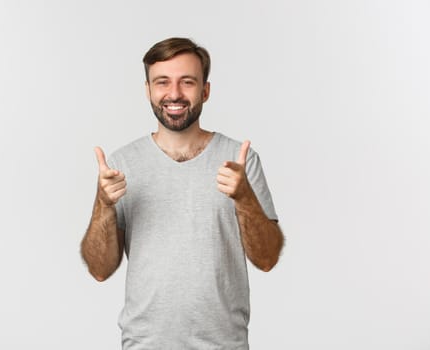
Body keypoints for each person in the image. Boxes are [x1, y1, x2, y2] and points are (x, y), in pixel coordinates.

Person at [81, 37, 284, 350]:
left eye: (187, 82)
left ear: (205, 90)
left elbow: (268, 259)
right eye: (162, 82)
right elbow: (99, 270)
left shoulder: (240, 161)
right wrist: (103, 204)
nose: (174, 94)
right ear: (148, 90)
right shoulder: (121, 164)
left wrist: (245, 198)